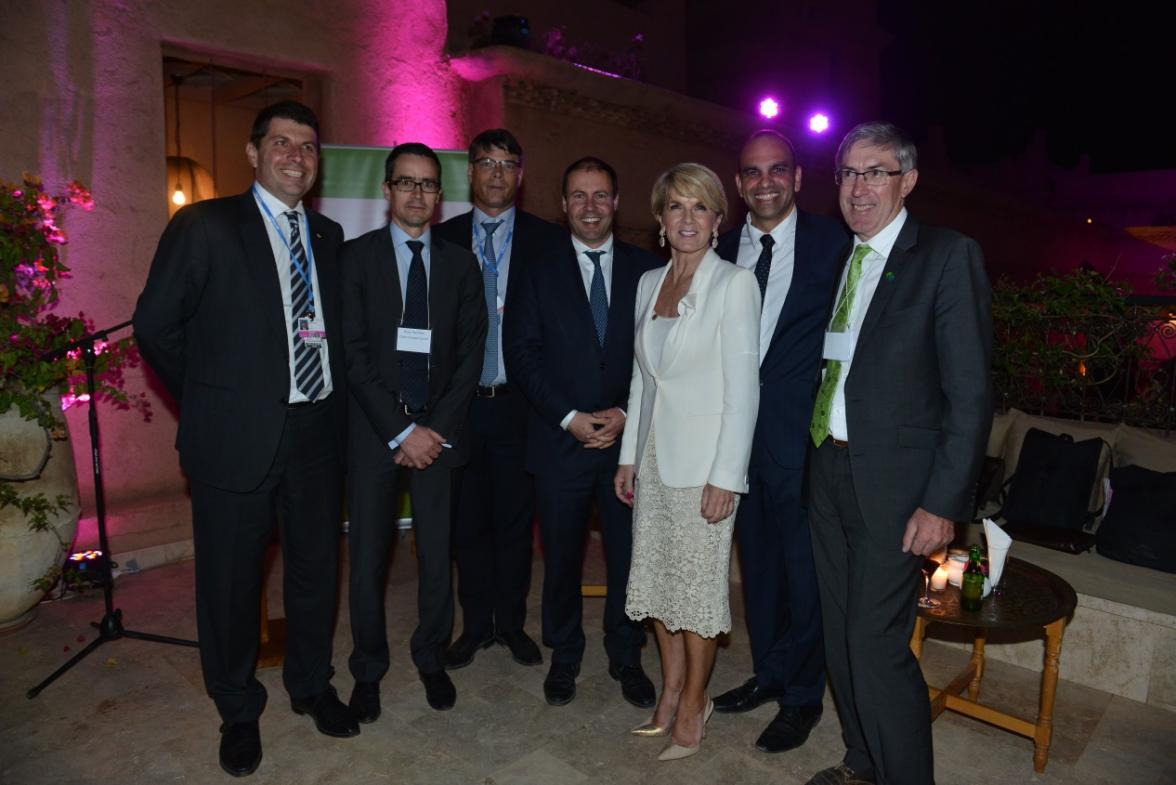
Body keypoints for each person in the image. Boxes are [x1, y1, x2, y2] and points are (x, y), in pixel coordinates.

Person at [133, 101, 357, 778]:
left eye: (309, 146)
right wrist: (210, 399)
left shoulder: (328, 235)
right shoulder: (204, 225)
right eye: (282, 143)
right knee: (230, 583)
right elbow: (155, 328)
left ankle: (311, 684)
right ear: (253, 154)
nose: (297, 155)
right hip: (234, 438)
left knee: (317, 570)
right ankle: (237, 708)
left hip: (318, 430)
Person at [805, 122, 992, 785]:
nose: (859, 187)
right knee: (838, 631)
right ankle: (863, 760)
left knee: (875, 643)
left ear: (908, 180)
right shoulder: (844, 259)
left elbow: (970, 397)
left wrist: (942, 504)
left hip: (897, 489)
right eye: (849, 173)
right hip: (828, 469)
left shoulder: (946, 255)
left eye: (876, 172)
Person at [615, 163, 760, 761]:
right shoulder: (649, 284)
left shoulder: (734, 284)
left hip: (705, 468)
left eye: (700, 207)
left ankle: (696, 695)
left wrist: (727, 476)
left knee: (698, 594)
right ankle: (670, 688)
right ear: (660, 220)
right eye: (676, 207)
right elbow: (641, 381)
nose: (688, 219)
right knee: (655, 581)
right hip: (651, 459)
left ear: (719, 221)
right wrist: (627, 459)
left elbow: (743, 391)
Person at [504, 157, 662, 707]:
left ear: (617, 204)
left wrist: (623, 412)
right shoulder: (537, 268)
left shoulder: (649, 270)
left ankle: (626, 655)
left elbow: (658, 357)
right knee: (563, 559)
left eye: (601, 195)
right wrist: (570, 418)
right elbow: (521, 354)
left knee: (627, 556)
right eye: (579, 196)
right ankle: (564, 655)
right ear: (563, 204)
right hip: (559, 441)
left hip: (626, 444)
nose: (590, 206)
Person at [711, 130, 848, 752]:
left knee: (803, 574)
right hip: (733, 441)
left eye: (777, 170)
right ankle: (768, 674)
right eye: (751, 172)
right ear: (739, 186)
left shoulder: (834, 243)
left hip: (801, 444)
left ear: (797, 178)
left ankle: (802, 697)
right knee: (757, 567)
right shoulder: (716, 247)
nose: (764, 181)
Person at [341, 143, 487, 717]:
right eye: (407, 182)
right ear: (386, 190)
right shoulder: (354, 259)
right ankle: (368, 669)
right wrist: (401, 430)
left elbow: (472, 354)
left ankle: (430, 656)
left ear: (439, 194)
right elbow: (352, 355)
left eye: (428, 184)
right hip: (376, 433)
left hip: (440, 434)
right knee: (368, 558)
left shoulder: (459, 263)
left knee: (435, 557)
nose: (418, 194)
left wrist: (432, 429)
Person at [434, 129, 564, 670]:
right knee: (467, 524)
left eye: (507, 163)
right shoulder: (441, 240)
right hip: (458, 407)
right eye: (485, 162)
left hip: (521, 404)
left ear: (520, 174)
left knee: (515, 521)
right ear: (469, 171)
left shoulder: (549, 241)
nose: (495, 173)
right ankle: (474, 624)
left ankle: (510, 624)